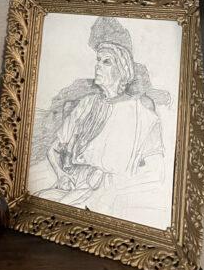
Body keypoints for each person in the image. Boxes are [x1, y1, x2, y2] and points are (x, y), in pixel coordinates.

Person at [30, 17, 169, 224]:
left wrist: (110, 189)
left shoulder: (143, 113)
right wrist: (60, 175)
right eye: (98, 60)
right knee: (39, 202)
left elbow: (155, 172)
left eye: (106, 62)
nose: (97, 66)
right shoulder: (86, 104)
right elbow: (53, 150)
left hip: (114, 195)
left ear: (123, 69)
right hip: (76, 185)